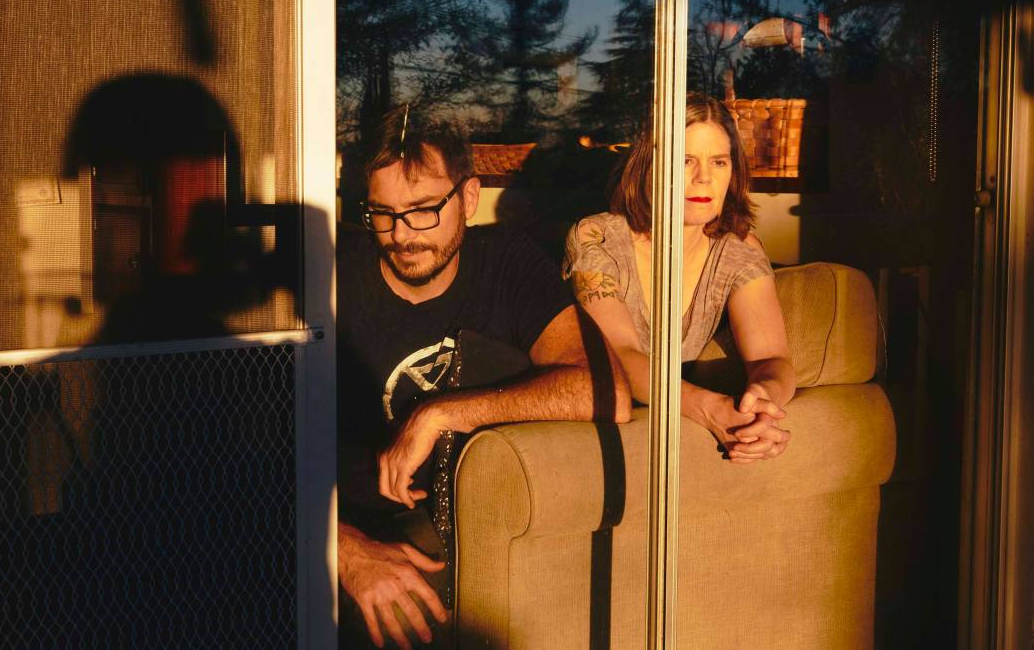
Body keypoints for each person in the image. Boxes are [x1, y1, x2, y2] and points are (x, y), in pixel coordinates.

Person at [338, 108, 631, 649]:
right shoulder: (333, 276)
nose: (402, 235)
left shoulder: (508, 263)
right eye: (383, 213)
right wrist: (341, 551)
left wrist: (440, 412)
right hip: (357, 529)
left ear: (469, 199)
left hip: (483, 532)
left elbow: (608, 392)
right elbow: (240, 452)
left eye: (424, 210)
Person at [565, 92, 795, 463]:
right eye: (685, 160)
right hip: (602, 415)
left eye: (719, 162)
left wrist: (763, 400)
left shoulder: (739, 248)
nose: (704, 177)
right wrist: (709, 408)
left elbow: (772, 357)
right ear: (649, 166)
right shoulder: (597, 237)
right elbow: (620, 355)